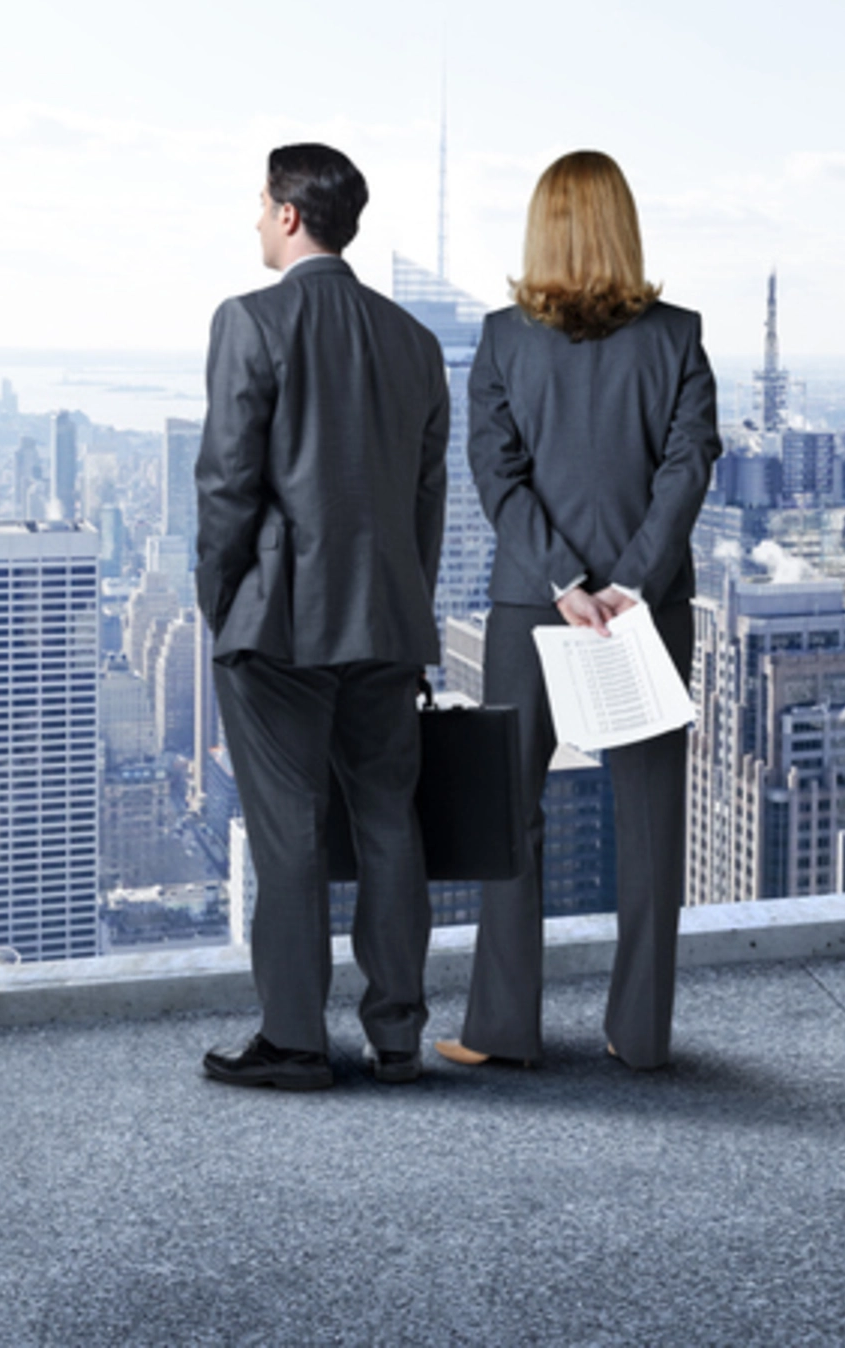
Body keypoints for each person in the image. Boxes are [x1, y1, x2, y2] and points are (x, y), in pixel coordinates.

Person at [437, 150, 721, 1073]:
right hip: (647, 611)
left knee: (510, 818)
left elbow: (496, 475)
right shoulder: (679, 337)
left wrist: (565, 580)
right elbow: (688, 470)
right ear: (625, 226)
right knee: (650, 828)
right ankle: (639, 1036)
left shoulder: (501, 340)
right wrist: (629, 584)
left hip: (531, 606)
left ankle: (500, 1030)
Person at [197, 143, 450, 1090]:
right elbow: (426, 500)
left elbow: (226, 484)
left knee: (290, 833)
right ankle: (398, 1036)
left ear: (290, 214)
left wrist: (221, 604)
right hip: (386, 620)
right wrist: (406, 608)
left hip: (279, 626)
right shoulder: (415, 342)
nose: (257, 220)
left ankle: (297, 1040)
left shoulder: (251, 321)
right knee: (389, 823)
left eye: (261, 204)